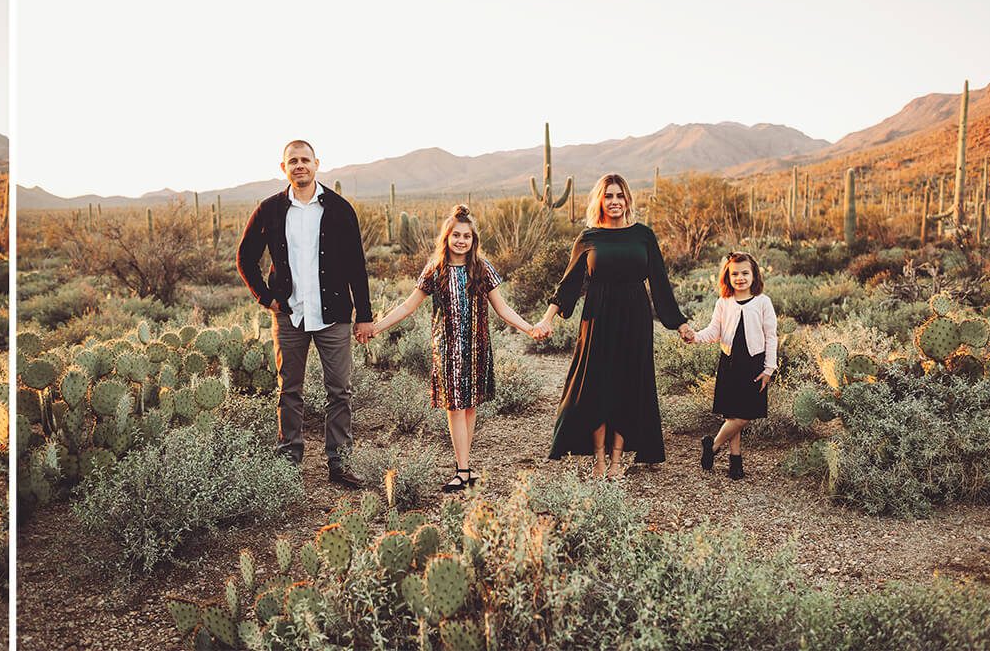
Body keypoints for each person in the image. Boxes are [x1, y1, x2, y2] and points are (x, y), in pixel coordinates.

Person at [365, 205, 538, 491]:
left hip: (477, 347)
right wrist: (377, 326)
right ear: (446, 238)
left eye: (466, 236)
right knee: (455, 408)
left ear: (473, 240)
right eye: (456, 235)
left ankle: (465, 468)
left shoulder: (482, 268)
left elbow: (502, 307)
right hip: (447, 349)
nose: (461, 240)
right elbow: (409, 305)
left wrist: (529, 328)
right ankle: (462, 469)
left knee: (469, 408)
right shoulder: (436, 269)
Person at [531, 173, 691, 480]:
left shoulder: (643, 235)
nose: (614, 201)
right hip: (598, 317)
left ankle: (617, 460)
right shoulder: (589, 238)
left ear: (627, 200)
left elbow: (659, 283)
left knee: (628, 387)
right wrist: (547, 318)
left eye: (619, 196)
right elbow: (569, 285)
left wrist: (679, 323)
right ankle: (599, 460)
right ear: (599, 201)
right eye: (608, 196)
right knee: (596, 387)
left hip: (635, 317)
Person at [237, 140, 375, 487]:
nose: (300, 166)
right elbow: (245, 258)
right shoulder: (269, 210)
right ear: (284, 168)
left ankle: (339, 464)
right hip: (289, 315)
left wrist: (365, 315)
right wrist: (266, 298)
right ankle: (288, 462)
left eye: (305, 160)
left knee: (339, 391)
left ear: (317, 164)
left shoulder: (340, 209)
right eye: (293, 161)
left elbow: (357, 267)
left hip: (334, 315)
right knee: (289, 390)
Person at [685, 252, 777, 480]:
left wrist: (769, 368)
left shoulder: (763, 302)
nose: (740, 278)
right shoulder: (723, 303)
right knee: (733, 414)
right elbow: (713, 332)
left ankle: (713, 446)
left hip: (754, 364)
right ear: (728, 276)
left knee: (744, 415)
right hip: (730, 362)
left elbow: (771, 336)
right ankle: (735, 461)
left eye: (745, 273)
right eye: (735, 273)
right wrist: (694, 337)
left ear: (754, 275)